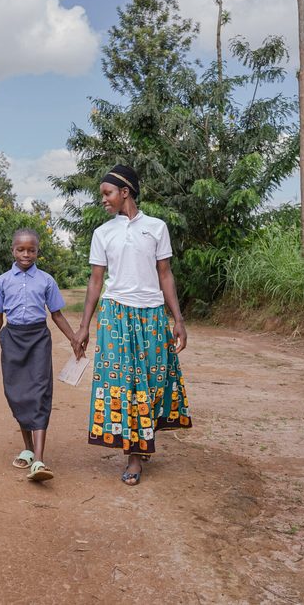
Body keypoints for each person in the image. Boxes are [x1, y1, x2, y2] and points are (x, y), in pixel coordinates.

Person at [72, 165, 192, 486]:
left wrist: (177, 318)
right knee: (125, 384)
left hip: (152, 315)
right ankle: (135, 456)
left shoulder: (156, 227)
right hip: (115, 315)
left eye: (107, 193)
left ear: (125, 192)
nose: (104, 200)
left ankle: (143, 437)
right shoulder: (103, 233)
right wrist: (83, 326)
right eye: (102, 195)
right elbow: (96, 281)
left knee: (152, 379)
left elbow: (164, 273)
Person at [0, 228, 83, 482]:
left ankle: (39, 458)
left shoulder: (46, 280)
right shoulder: (2, 282)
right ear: (12, 250)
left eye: (31, 250)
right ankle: (27, 448)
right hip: (13, 340)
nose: (26, 254)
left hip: (38, 340)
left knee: (39, 392)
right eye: (21, 250)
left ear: (37, 251)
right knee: (17, 393)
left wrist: (74, 339)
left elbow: (56, 314)